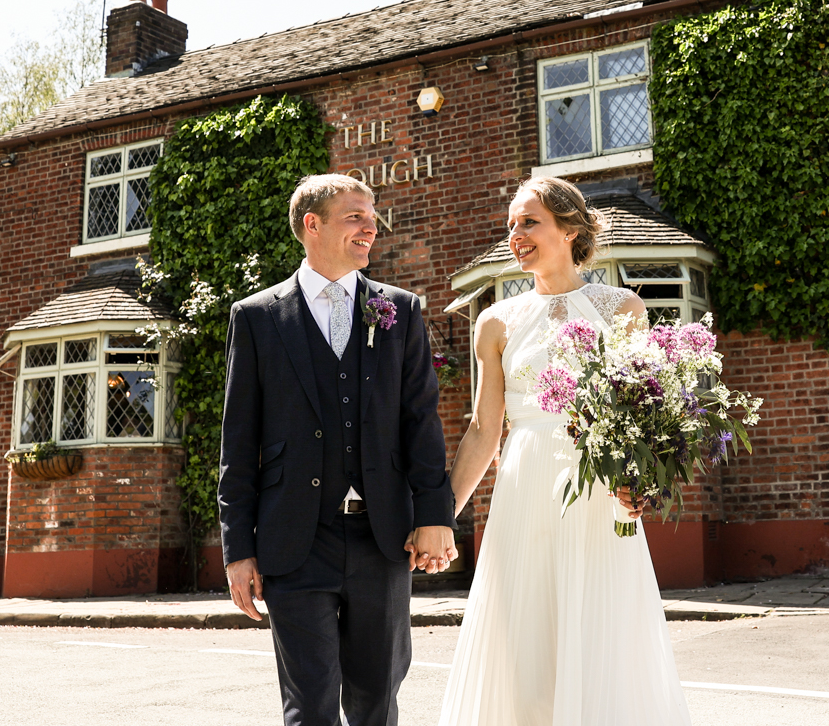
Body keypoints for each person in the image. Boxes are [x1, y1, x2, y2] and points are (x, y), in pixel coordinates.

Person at [438, 176, 693, 726]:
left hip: (597, 493)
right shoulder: (494, 322)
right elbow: (484, 431)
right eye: (511, 224)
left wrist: (639, 478)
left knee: (601, 631)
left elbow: (640, 412)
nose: (516, 234)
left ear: (570, 229)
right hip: (523, 493)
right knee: (522, 638)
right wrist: (439, 518)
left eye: (529, 221)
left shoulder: (622, 307)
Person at [218, 173, 457, 726]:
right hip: (294, 542)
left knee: (377, 702)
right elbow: (239, 441)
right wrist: (238, 550)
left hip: (383, 536)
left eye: (372, 216)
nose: (371, 226)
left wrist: (434, 516)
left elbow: (421, 422)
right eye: (355, 216)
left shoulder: (400, 310)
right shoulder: (256, 317)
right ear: (312, 225)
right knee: (310, 708)